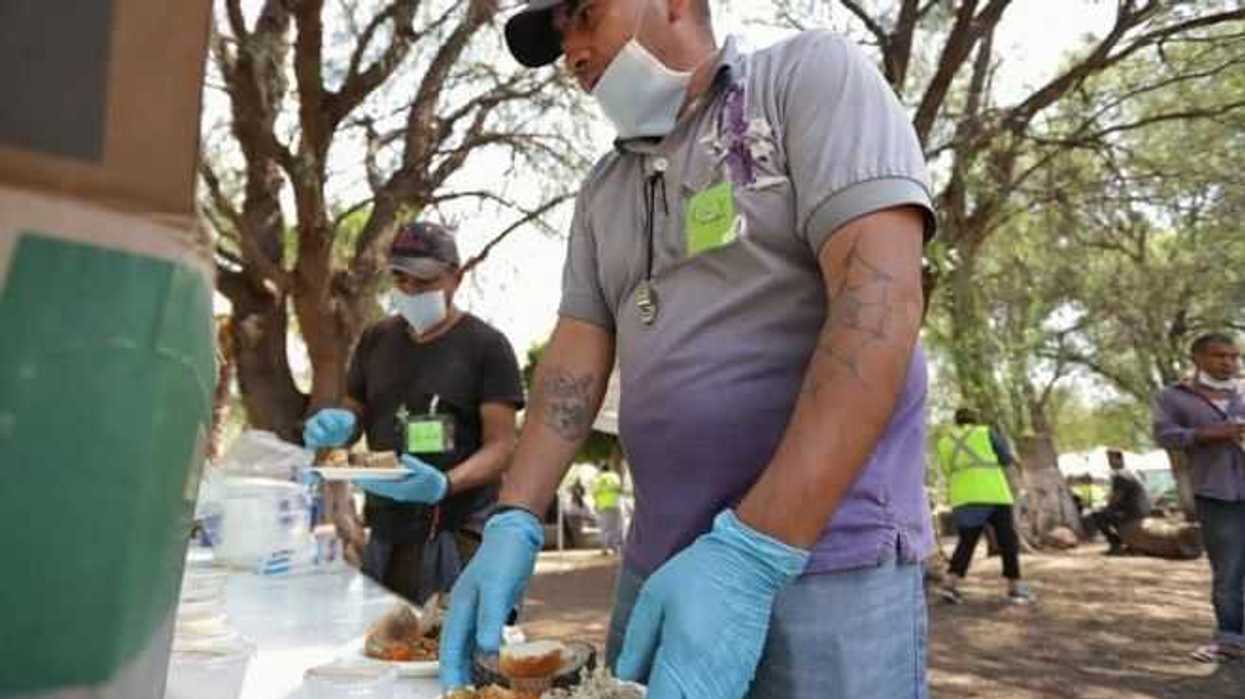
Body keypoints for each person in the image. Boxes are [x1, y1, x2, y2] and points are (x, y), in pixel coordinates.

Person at [440, 1, 936, 696]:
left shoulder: (805, 78)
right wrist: (516, 513)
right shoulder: (601, 192)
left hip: (824, 562)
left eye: (583, 15)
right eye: (559, 38)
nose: (571, 52)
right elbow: (575, 353)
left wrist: (753, 552)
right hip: (657, 569)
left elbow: (878, 302)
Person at [302, 221, 524, 604]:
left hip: (458, 535)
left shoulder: (486, 346)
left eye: (423, 282)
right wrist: (339, 426)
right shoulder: (376, 341)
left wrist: (445, 483)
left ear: (455, 277)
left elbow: (502, 447)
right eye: (400, 279)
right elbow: (354, 411)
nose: (409, 291)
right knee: (386, 648)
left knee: (449, 647)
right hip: (386, 533)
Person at [1153, 332, 1245, 663]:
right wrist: (1210, 434)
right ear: (1198, 359)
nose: (1229, 363)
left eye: (1234, 356)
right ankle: (1232, 640)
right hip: (1217, 494)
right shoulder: (1174, 396)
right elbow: (1165, 436)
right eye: (1220, 356)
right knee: (1229, 570)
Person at [935, 408, 1034, 605]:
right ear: (975, 420)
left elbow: (947, 470)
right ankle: (1014, 587)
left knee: (967, 542)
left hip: (964, 497)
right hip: (994, 493)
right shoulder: (985, 432)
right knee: (1007, 540)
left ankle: (950, 585)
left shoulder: (944, 442)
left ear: (956, 422)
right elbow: (1005, 458)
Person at [1086, 449, 1151, 555]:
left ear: (1119, 459)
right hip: (1140, 510)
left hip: (1132, 512)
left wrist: (1105, 508)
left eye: (1111, 459)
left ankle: (1115, 544)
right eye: (1108, 460)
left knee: (1096, 516)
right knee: (1105, 513)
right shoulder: (1130, 473)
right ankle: (1121, 540)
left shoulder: (1120, 476)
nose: (1109, 463)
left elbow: (1116, 499)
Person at [592, 463, 624, 555]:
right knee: (615, 526)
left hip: (603, 506)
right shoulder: (615, 476)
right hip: (615, 504)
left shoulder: (598, 478)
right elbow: (619, 488)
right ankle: (615, 549)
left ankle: (604, 548)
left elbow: (594, 492)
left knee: (605, 527)